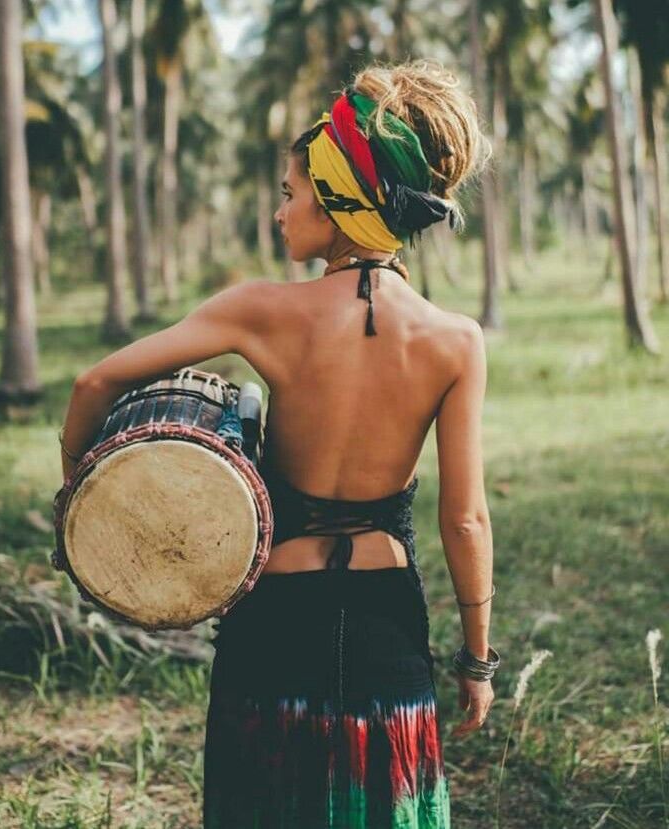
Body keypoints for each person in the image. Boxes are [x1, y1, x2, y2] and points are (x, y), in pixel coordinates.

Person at [59, 58, 498, 829]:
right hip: (385, 614)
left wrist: (82, 512)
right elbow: (465, 520)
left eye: (291, 194)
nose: (279, 213)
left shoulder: (260, 310)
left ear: (336, 204)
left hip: (275, 608)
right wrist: (475, 659)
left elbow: (92, 386)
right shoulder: (455, 341)